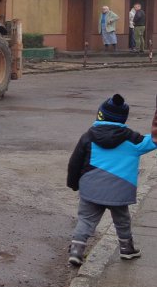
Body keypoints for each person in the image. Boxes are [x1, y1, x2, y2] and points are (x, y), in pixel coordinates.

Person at [66, 94, 155, 266]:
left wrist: (73, 183)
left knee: (86, 219)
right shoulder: (132, 138)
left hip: (91, 187)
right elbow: (152, 141)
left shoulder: (88, 137)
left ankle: (76, 251)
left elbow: (75, 162)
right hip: (119, 190)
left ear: (101, 114)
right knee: (122, 220)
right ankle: (126, 249)